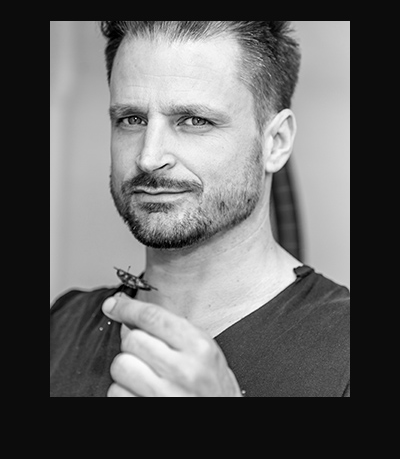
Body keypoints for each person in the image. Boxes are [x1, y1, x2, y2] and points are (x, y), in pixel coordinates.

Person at [50, 21, 350, 397]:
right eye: (132, 119)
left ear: (275, 142)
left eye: (194, 121)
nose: (149, 157)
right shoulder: (62, 327)